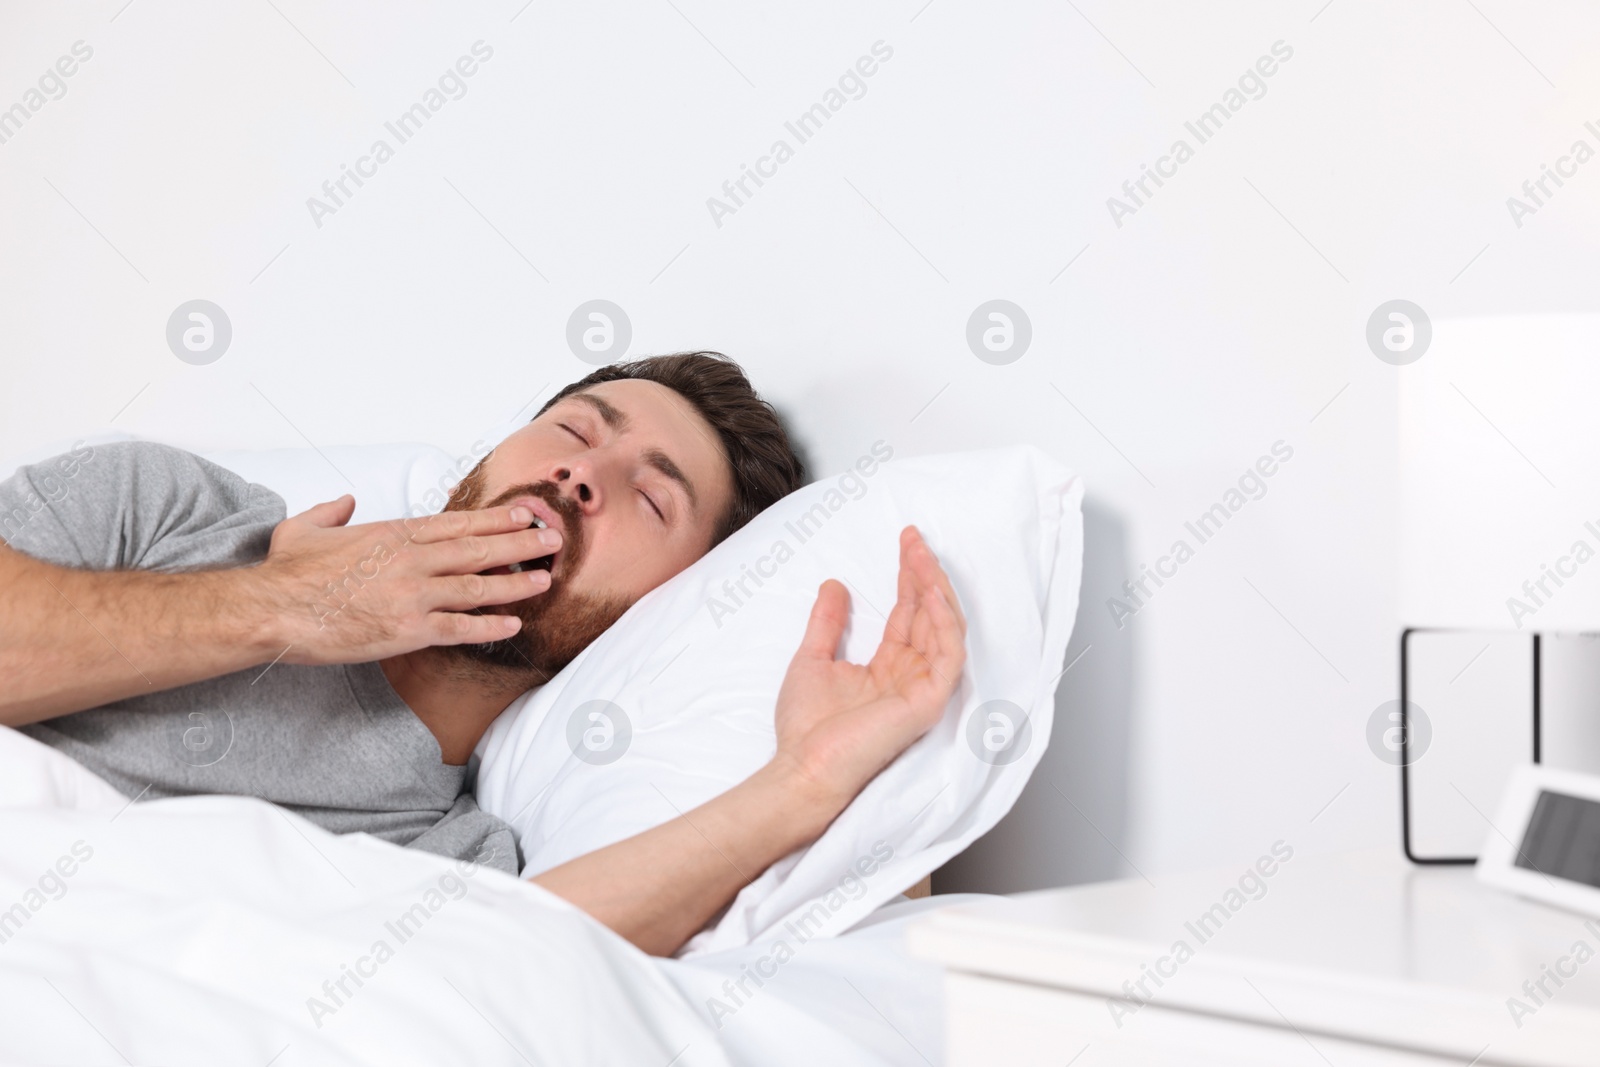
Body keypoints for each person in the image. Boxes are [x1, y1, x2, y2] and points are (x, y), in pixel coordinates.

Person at [0, 352, 966, 956]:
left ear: (663, 615)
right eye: (575, 431)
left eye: (650, 497)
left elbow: (506, 971)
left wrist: (805, 782)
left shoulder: (450, 861)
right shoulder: (158, 506)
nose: (582, 473)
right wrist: (279, 605)